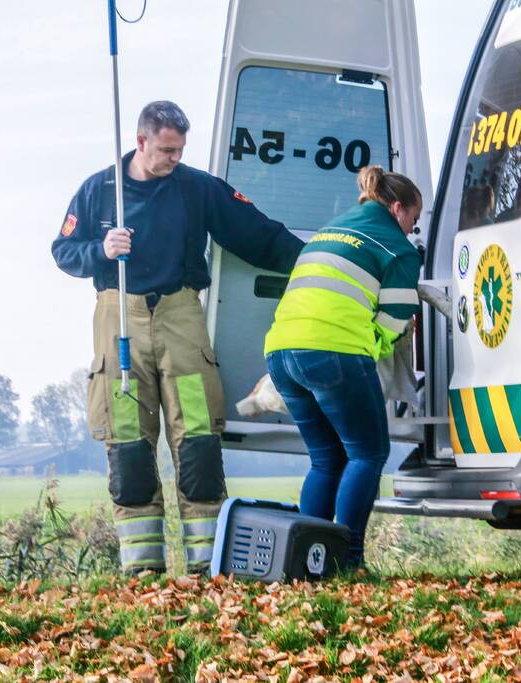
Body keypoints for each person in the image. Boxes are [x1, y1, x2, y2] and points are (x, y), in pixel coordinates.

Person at [52, 101, 304, 575]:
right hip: (118, 315)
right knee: (127, 443)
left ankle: (207, 566)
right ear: (141, 141)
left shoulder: (196, 188)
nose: (174, 158)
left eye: (180, 149)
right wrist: (99, 250)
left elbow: (258, 235)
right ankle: (142, 572)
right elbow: (63, 251)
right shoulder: (98, 190)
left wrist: (315, 260)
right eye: (166, 149)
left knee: (199, 442)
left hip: (181, 314)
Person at [263, 165, 423, 569]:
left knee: (326, 459)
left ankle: (306, 560)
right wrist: (375, 345)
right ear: (398, 207)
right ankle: (348, 560)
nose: (412, 231)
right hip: (332, 353)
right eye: (414, 221)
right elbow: (395, 321)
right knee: (369, 453)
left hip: (281, 353)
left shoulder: (328, 231)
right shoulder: (397, 247)